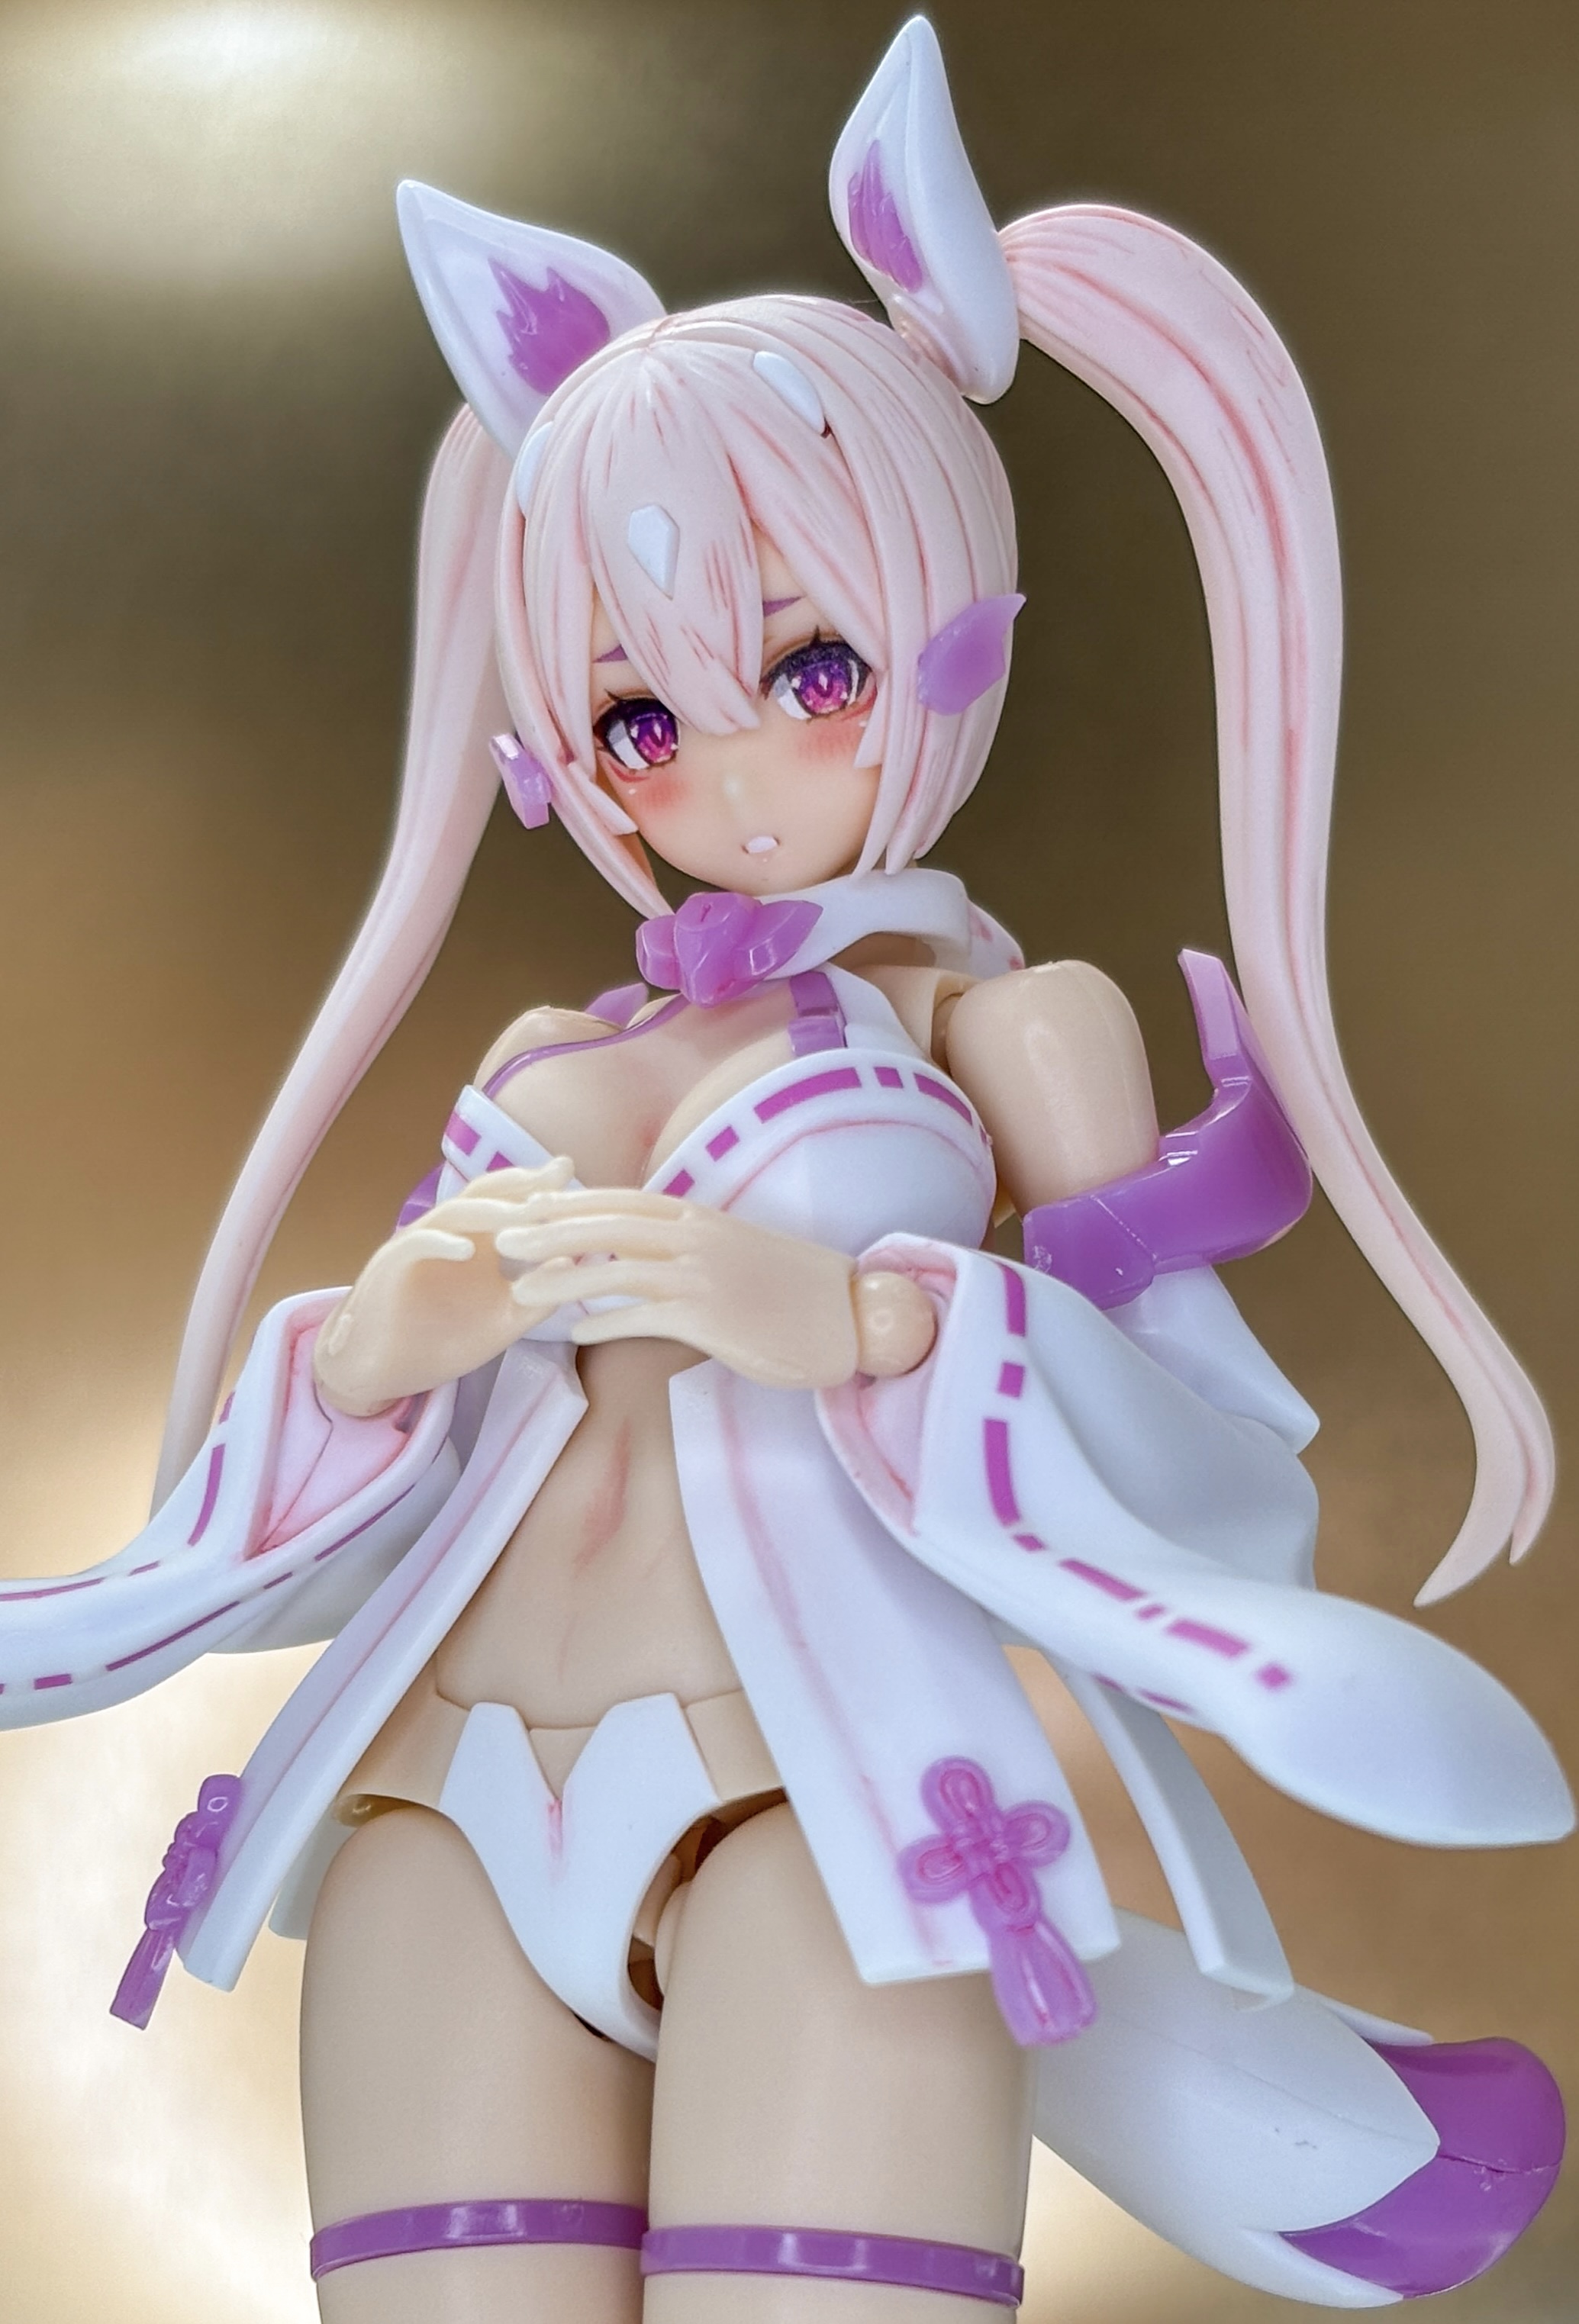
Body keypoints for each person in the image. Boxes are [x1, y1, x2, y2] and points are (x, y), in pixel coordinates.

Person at [1, 21, 1568, 2320]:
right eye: (640, 716)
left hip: (829, 1803)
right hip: (445, 1799)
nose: (724, 774)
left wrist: (857, 1319)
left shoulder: (1007, 1031)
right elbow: (388, 1472)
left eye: (812, 668)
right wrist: (377, 1349)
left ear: (954, 623)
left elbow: (1216, 1461)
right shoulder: (542, 1059)